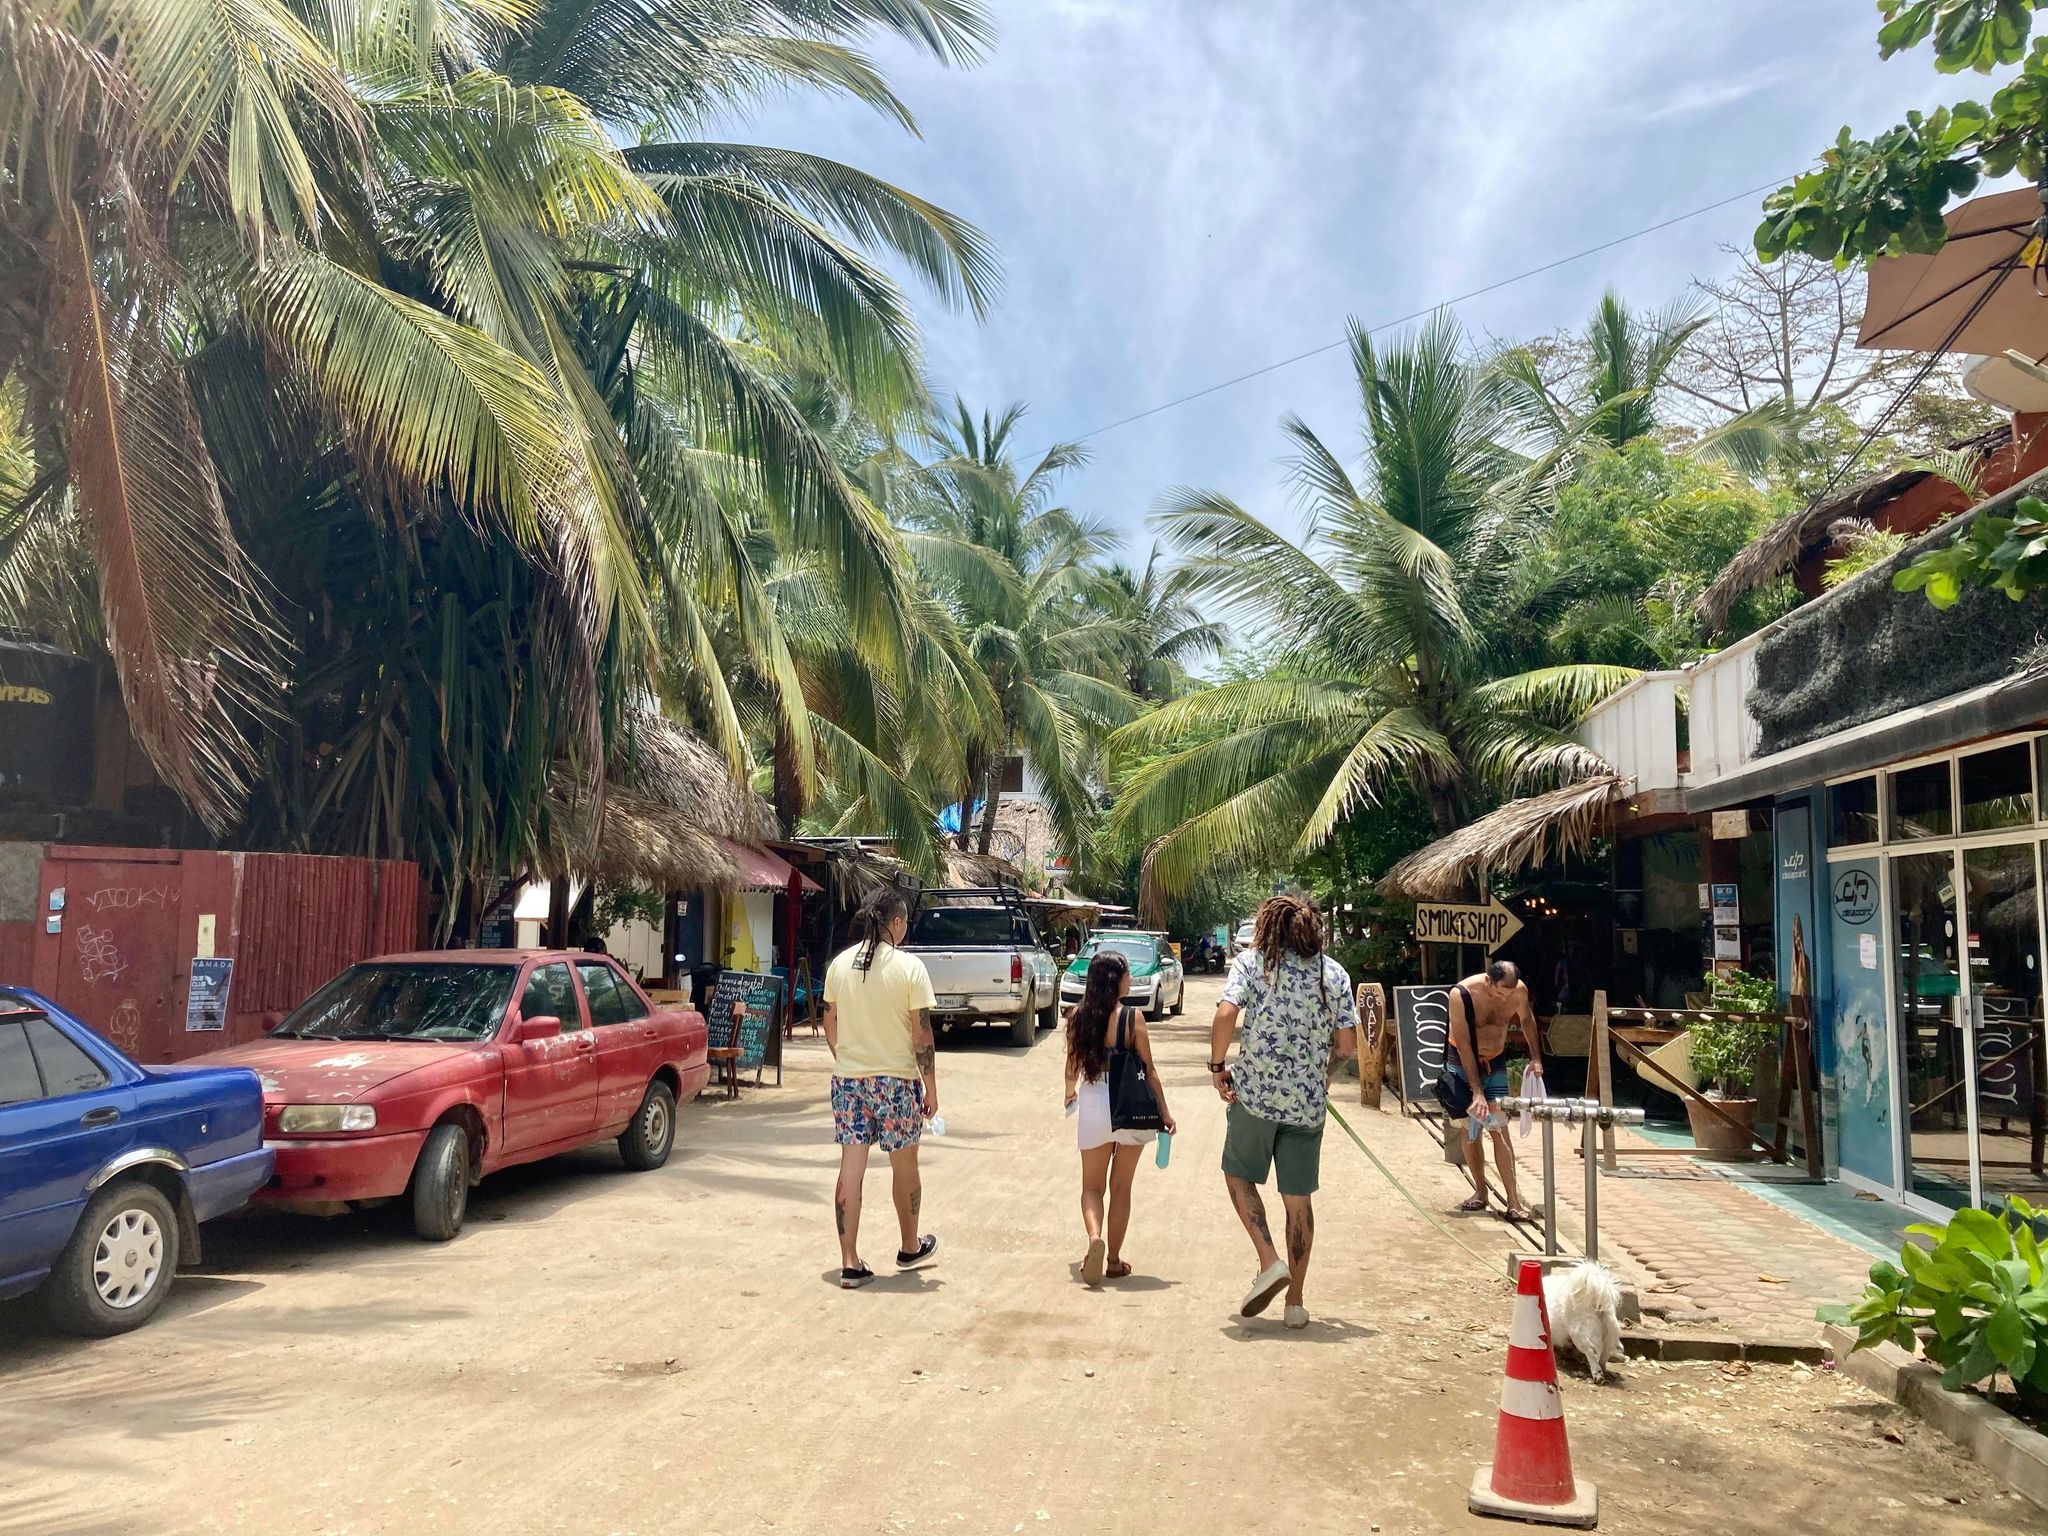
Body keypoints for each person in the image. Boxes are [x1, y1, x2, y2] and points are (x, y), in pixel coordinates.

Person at [1209, 893, 1358, 1328]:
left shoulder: (1253, 964)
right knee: (1299, 1201)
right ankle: (1295, 1304)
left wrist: (1219, 1066)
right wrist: (1323, 1076)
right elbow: (1347, 1046)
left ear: (1269, 927)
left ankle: (1269, 1259)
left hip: (1254, 1098)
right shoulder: (1333, 975)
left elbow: (1224, 1015)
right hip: (1307, 1108)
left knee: (1238, 1176)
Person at [821, 891, 940, 1288]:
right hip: (896, 1082)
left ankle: (849, 1261)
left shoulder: (839, 965)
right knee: (904, 1164)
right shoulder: (910, 968)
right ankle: (909, 1245)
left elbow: (829, 1022)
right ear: (898, 923)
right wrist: (931, 1087)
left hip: (849, 1080)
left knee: (850, 1168)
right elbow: (922, 1034)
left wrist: (847, 1056)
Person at [1063, 951, 1176, 1286]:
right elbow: (1149, 1070)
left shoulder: (1077, 1017)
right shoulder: (1133, 1018)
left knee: (1091, 1187)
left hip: (1095, 1102)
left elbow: (1072, 1069)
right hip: (1130, 1106)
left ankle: (1094, 1238)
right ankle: (1112, 1260)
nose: (1130, 980)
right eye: (1127, 975)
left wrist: (1069, 1092)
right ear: (1115, 981)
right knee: (1121, 1188)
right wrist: (1164, 1113)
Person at [1443, 959, 1545, 1219]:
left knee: (1500, 1127)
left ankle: (1513, 1200)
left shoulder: (1518, 991)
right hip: (1463, 1061)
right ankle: (1480, 1191)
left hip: (1496, 1059)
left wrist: (1535, 1057)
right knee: (1471, 1126)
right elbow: (1464, 1043)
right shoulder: (1462, 994)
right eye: (1500, 992)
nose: (1503, 999)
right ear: (1488, 980)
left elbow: (1527, 1020)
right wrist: (1476, 1091)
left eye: (1508, 993)